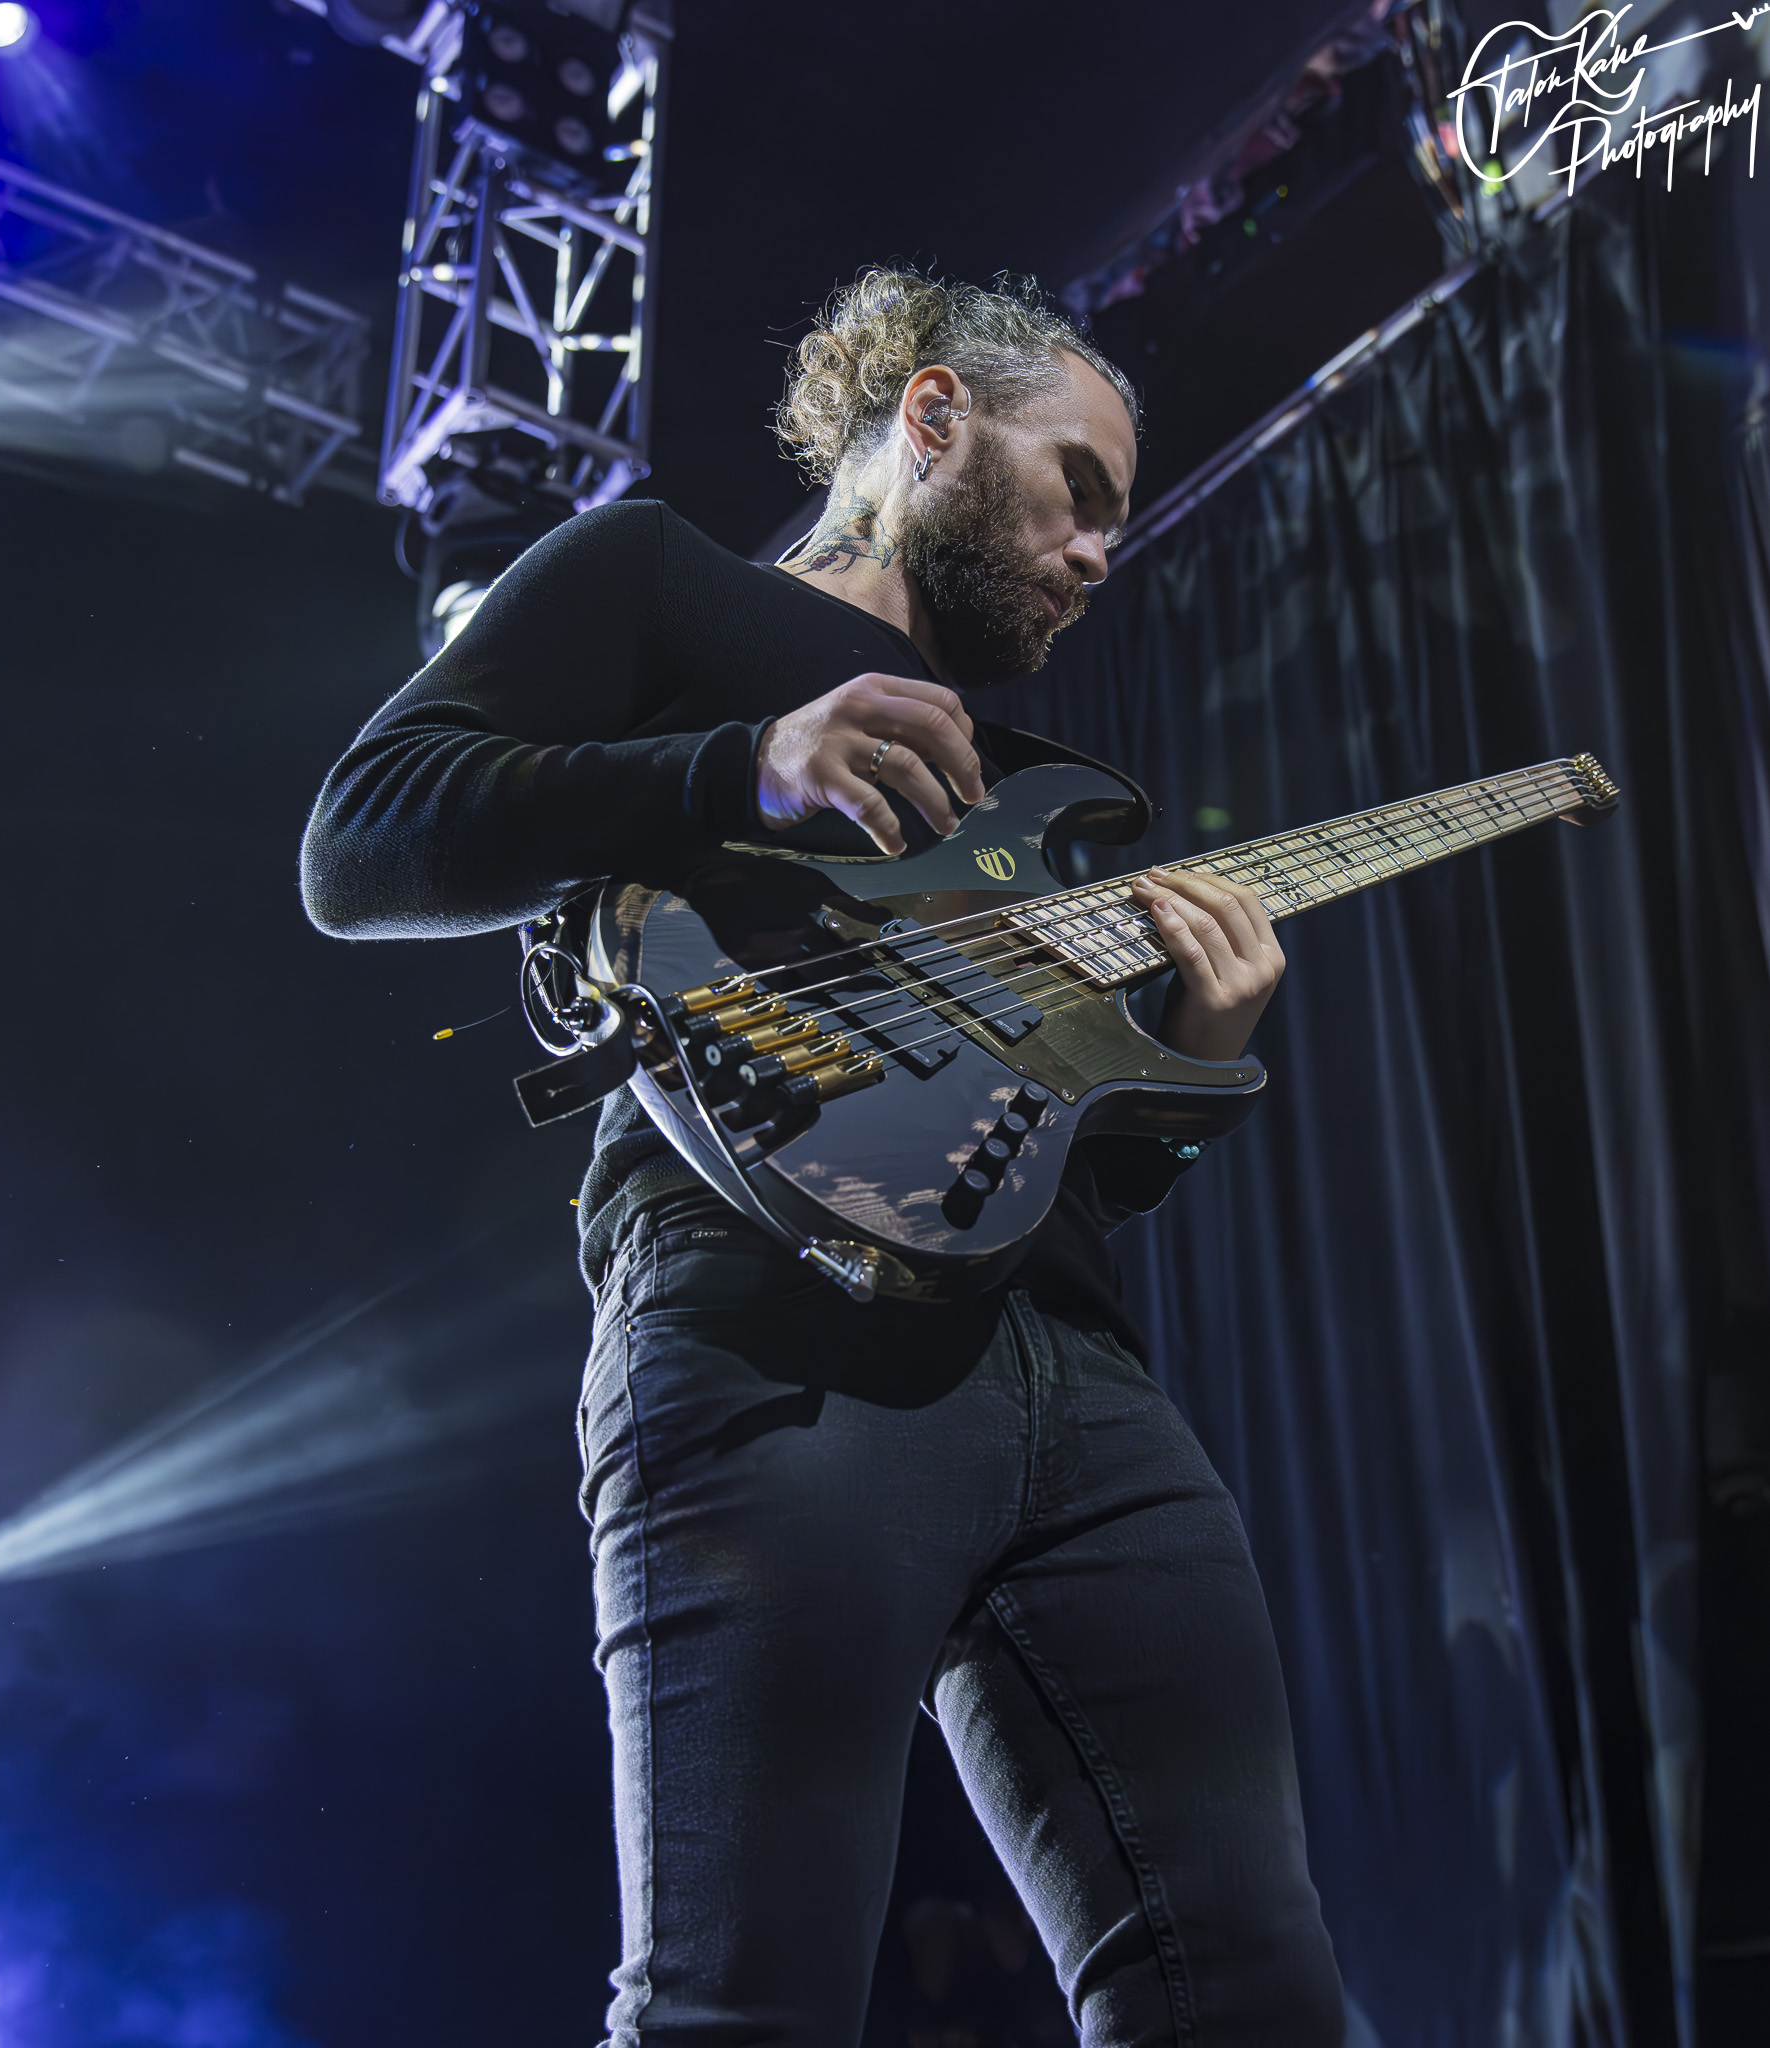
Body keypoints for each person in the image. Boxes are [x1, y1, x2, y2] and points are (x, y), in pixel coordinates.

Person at [301, 269, 1345, 2047]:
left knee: (1245, 1994)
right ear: (932, 418)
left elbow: (1057, 1169)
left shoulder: (1022, 793)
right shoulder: (658, 580)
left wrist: (1189, 1057)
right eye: (1078, 490)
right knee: (740, 2005)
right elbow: (359, 844)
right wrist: (736, 766)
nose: (1101, 553)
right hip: (766, 1333)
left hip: (1082, 1384)